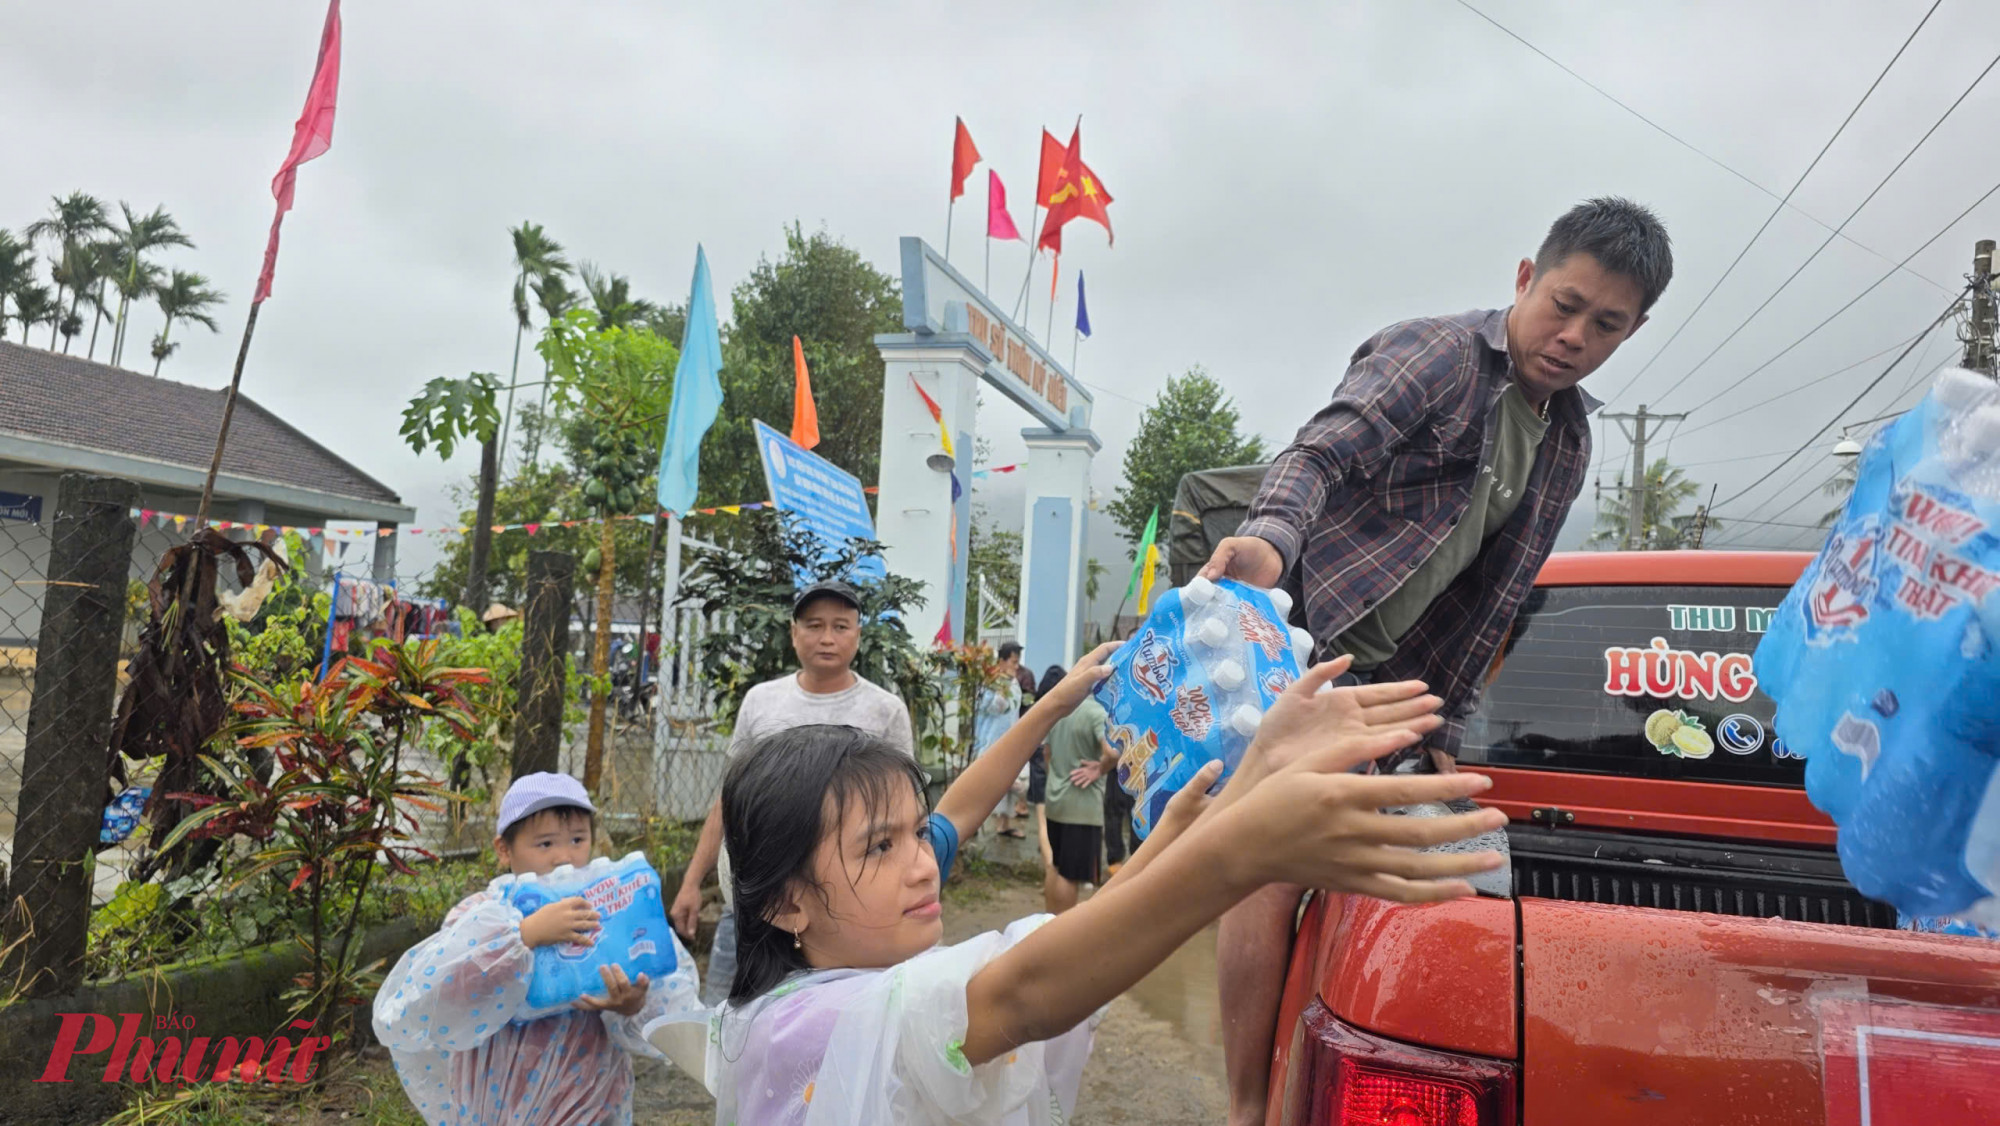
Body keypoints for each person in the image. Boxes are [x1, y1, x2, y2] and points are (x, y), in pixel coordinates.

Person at [1201, 197, 1674, 1126]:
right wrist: (1268, 539)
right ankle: (1248, 1105)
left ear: (1633, 331)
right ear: (1525, 278)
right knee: (1270, 868)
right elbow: (1320, 453)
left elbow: (1495, 599)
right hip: (1304, 652)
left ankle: (1321, 1070)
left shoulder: (1570, 441)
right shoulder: (1437, 355)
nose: (1574, 337)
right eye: (1565, 305)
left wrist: (1444, 726)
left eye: (1606, 325)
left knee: (1416, 877)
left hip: (1393, 697)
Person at [693, 657, 1506, 1124]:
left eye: (915, 834)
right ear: (783, 902)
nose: (921, 862)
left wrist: (1245, 785)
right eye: (880, 846)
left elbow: (979, 834)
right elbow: (1031, 988)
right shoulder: (799, 1027)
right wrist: (1242, 848)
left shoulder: (858, 972)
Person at [372, 772, 702, 1125]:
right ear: (504, 850)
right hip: (500, 1094)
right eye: (545, 844)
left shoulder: (607, 909)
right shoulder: (482, 913)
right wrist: (523, 935)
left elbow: (667, 997)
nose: (564, 857)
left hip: (587, 1091)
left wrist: (632, 1003)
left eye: (578, 839)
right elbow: (444, 990)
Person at [670, 580, 915, 1007]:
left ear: (858, 633)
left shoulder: (884, 711)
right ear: (793, 632)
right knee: (727, 1023)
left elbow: (902, 817)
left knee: (831, 1028)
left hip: (843, 910)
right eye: (814, 625)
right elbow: (730, 802)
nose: (827, 638)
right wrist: (692, 882)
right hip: (751, 902)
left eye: (841, 626)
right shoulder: (762, 702)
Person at [1040, 691, 1117, 913]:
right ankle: (1060, 931)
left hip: (1055, 802)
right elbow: (1111, 752)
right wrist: (1101, 768)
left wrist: (1055, 778)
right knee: (1070, 874)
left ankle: (1049, 925)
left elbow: (1047, 753)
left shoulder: (1062, 709)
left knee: (1055, 866)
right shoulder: (1097, 712)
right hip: (1081, 807)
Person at [974, 642, 1027, 839]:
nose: (1016, 666)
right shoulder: (992, 682)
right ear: (1002, 661)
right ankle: (973, 824)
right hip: (992, 740)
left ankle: (1003, 825)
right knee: (995, 785)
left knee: (1012, 785)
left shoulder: (1013, 681)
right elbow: (994, 708)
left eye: (1018, 662)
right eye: (1013, 661)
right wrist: (1002, 688)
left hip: (1011, 738)